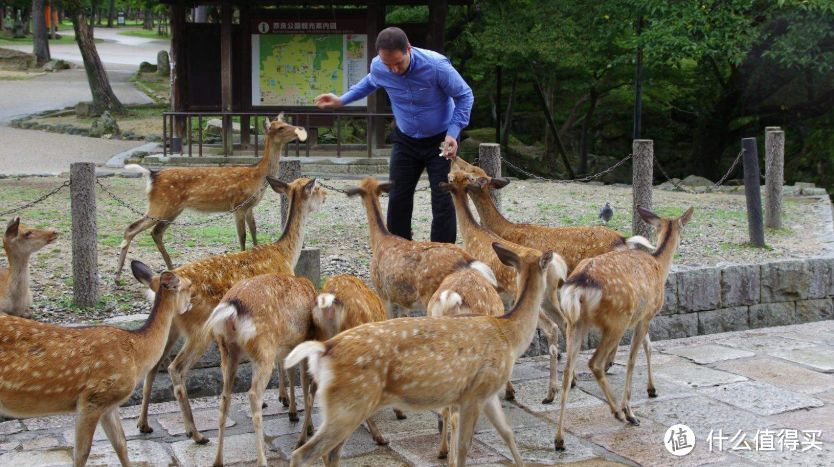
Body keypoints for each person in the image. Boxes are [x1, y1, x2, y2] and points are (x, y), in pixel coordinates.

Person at [314, 27, 473, 244]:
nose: (394, 70)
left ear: (409, 49)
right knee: (397, 197)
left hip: (441, 140)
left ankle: (442, 254)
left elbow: (465, 96)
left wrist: (453, 132)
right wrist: (342, 100)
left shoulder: (436, 66)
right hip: (406, 139)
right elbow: (370, 82)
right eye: (389, 65)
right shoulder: (379, 67)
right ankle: (399, 252)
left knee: (443, 198)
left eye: (398, 62)